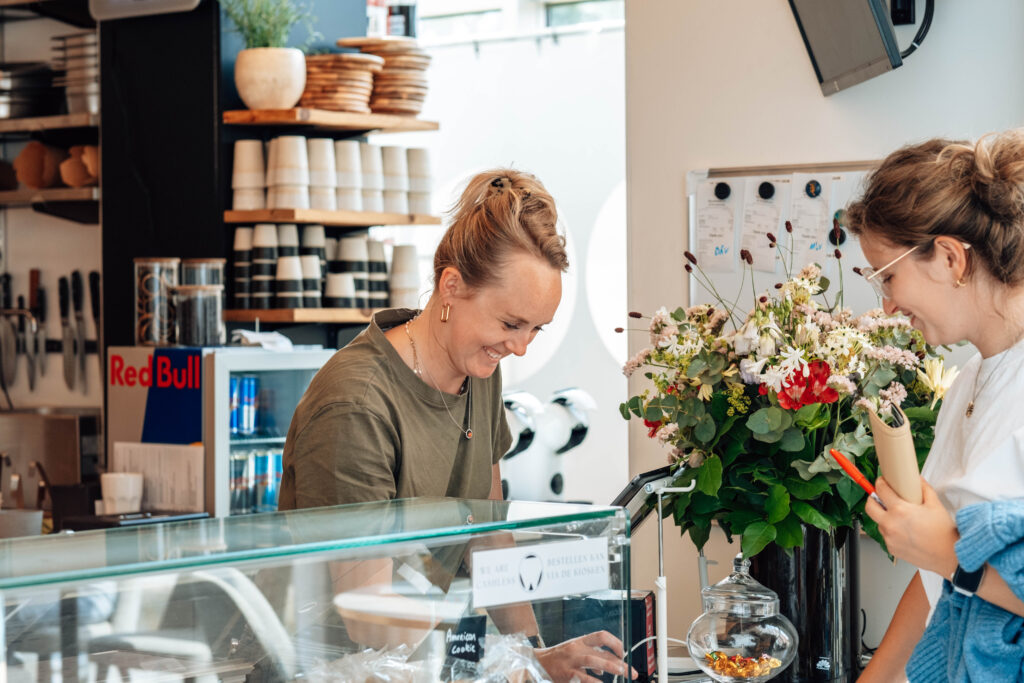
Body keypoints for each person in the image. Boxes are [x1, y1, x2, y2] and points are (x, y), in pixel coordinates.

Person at [278, 168, 635, 682]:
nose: (520, 347)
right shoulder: (356, 402)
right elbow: (367, 615)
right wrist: (501, 668)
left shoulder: (478, 370)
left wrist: (532, 657)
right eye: (511, 323)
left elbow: (489, 537)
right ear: (452, 286)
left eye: (536, 329)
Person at [844, 130, 1024, 681]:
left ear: (949, 258)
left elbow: (947, 559)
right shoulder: (969, 382)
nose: (887, 306)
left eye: (888, 277)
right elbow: (933, 575)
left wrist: (948, 555)